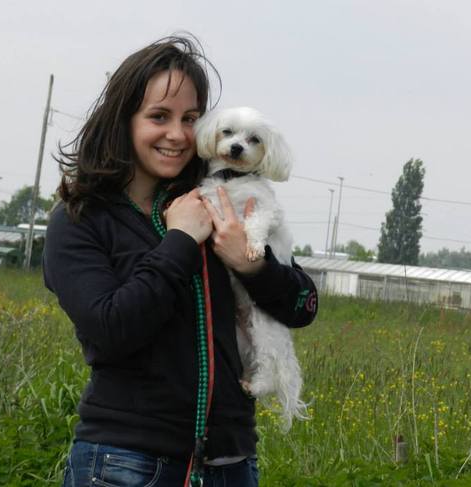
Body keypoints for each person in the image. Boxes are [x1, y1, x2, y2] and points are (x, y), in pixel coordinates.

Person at [43, 35, 318, 487]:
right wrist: (181, 240)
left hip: (231, 463)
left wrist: (253, 266)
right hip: (125, 463)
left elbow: (303, 306)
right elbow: (111, 331)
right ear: (123, 120)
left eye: (190, 119)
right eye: (159, 116)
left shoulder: (221, 202)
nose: (177, 134)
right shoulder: (81, 220)